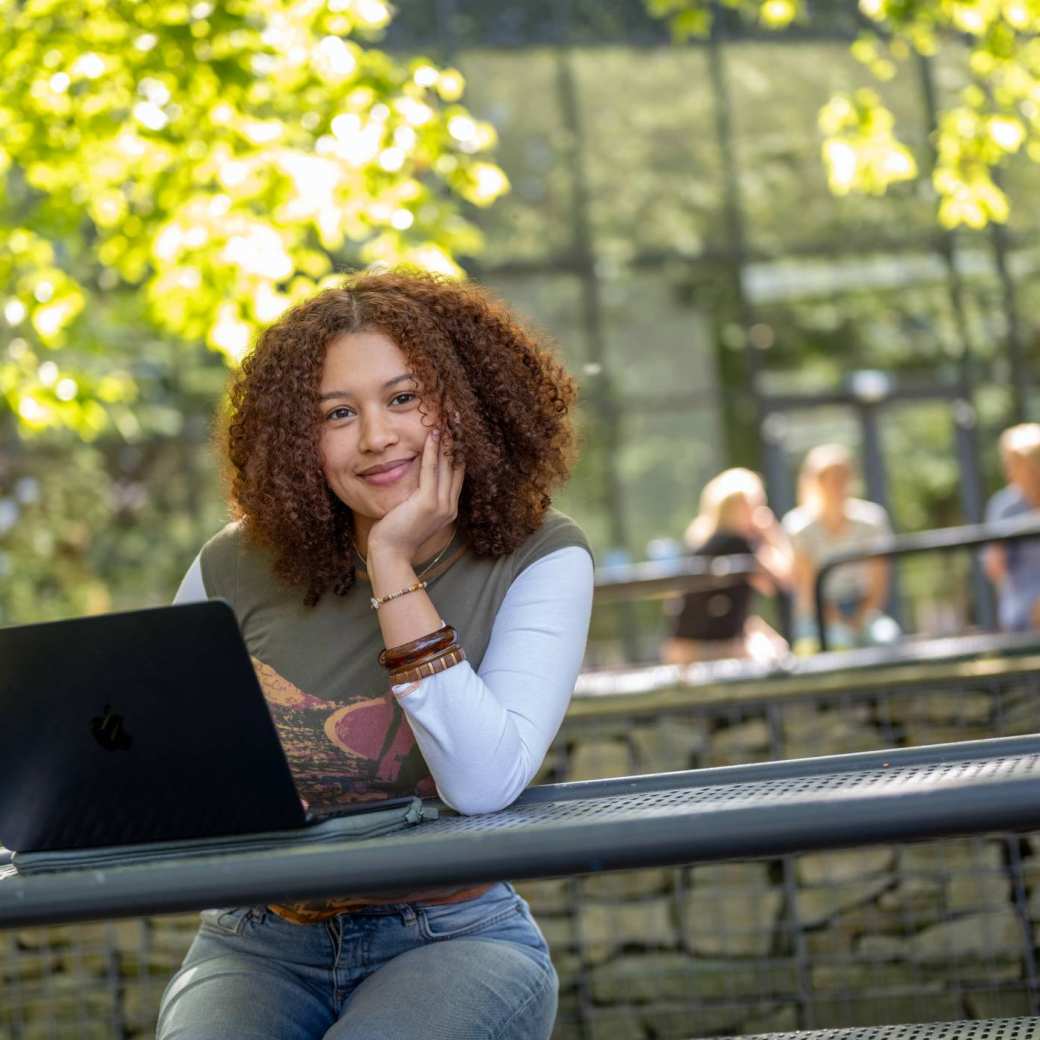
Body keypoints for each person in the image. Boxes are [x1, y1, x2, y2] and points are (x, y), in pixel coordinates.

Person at [157, 271, 594, 1040]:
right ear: (299, 438)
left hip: (453, 936)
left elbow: (483, 783)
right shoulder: (233, 566)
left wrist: (391, 563)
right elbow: (158, 762)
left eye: (403, 397)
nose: (376, 437)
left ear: (465, 401)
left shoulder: (543, 557)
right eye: (337, 412)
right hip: (255, 943)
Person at [661, 468, 792, 665]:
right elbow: (783, 579)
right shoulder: (737, 544)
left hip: (684, 646)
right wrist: (771, 532)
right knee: (776, 658)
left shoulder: (706, 541)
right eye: (754, 506)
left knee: (771, 643)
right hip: (706, 650)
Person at [782, 444, 899, 651]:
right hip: (816, 614)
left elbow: (880, 579)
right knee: (836, 644)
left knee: (887, 640)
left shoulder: (872, 520)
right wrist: (837, 622)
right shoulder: (798, 526)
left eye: (843, 476)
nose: (837, 484)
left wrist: (860, 619)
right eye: (829, 478)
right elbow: (806, 589)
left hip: (862, 608)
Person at [983, 422, 1040, 632]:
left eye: (1017, 463)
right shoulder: (1004, 507)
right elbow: (995, 568)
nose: (1010, 472)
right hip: (1022, 615)